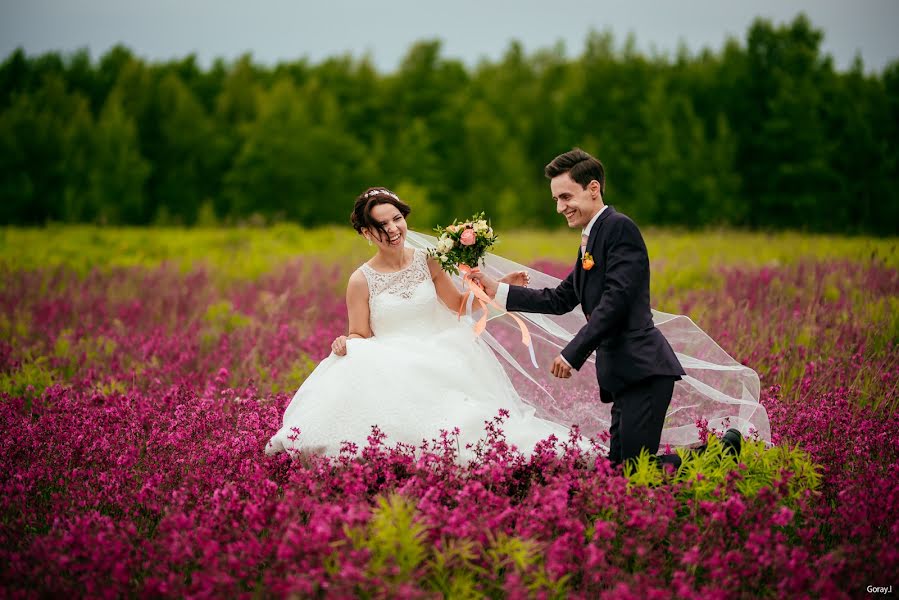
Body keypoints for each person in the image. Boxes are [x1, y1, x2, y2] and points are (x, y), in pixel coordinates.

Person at [265, 187, 589, 462]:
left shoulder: (427, 259)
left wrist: (498, 286)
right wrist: (343, 341)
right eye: (381, 225)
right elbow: (359, 333)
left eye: (397, 219)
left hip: (440, 352)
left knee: (469, 428)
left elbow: (459, 306)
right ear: (366, 233)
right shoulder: (360, 280)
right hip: (391, 361)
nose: (393, 229)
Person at [471, 148, 742, 469]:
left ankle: (722, 454)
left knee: (632, 470)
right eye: (556, 199)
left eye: (566, 197)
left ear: (593, 189)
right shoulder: (592, 237)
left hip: (644, 369)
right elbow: (561, 298)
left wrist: (573, 352)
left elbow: (616, 301)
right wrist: (497, 289)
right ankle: (718, 455)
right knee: (623, 471)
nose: (560, 207)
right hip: (623, 374)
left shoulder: (619, 229)